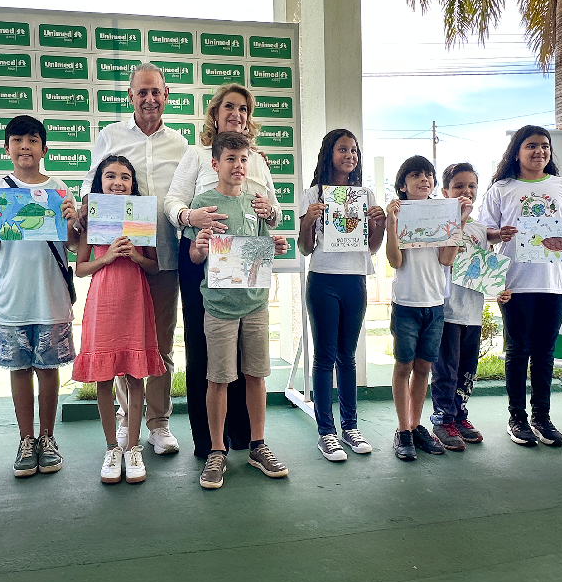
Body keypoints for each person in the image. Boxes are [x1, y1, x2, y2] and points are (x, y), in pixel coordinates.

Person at [164, 83, 283, 459]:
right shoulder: (197, 154)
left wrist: (272, 217)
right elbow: (173, 201)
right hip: (202, 259)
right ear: (214, 112)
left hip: (249, 271)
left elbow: (273, 212)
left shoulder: (257, 159)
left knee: (250, 361)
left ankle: (249, 440)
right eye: (229, 106)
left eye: (244, 108)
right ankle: (210, 445)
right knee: (207, 353)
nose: (237, 113)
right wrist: (189, 217)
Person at [79, 63, 187, 455]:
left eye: (155, 91)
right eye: (141, 92)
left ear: (166, 95)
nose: (149, 99)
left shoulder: (181, 144)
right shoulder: (109, 136)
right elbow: (91, 192)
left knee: (159, 344)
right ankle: (127, 421)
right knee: (122, 344)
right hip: (116, 261)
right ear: (130, 96)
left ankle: (159, 424)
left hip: (162, 257)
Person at [479, 125, 562, 447]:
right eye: (531, 145)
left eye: (545, 146)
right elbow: (483, 233)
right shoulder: (501, 188)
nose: (540, 151)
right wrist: (497, 234)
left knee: (545, 353)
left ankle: (542, 418)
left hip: (555, 282)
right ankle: (516, 418)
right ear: (516, 151)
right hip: (514, 282)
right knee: (518, 351)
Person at [185, 131, 289, 489]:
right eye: (230, 159)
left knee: (257, 375)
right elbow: (196, 256)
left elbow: (262, 248)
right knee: (219, 378)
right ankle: (217, 450)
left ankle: (258, 445)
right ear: (215, 164)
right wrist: (199, 246)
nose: (238, 166)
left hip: (256, 304)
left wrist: (274, 243)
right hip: (218, 307)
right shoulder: (204, 202)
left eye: (243, 159)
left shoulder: (258, 202)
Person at [0, 115, 79, 477]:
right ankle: (26, 440)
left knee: (48, 370)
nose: (25, 146)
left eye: (33, 140)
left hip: (51, 297)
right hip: (11, 299)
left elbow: (72, 245)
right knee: (19, 370)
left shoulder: (60, 189)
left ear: (44, 149)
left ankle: (48, 438)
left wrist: (72, 220)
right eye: (17, 139)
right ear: (7, 149)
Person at [72, 156, 165, 484]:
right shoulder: (91, 218)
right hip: (102, 302)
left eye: (125, 177)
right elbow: (81, 267)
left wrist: (135, 255)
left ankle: (133, 447)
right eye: (110, 176)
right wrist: (108, 256)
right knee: (103, 378)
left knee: (135, 376)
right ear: (99, 183)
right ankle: (112, 447)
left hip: (135, 302)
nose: (118, 182)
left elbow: (153, 266)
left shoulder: (140, 217)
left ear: (132, 184)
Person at [297, 129, 385, 462]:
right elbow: (305, 248)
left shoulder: (366, 195)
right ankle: (327, 433)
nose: (350, 155)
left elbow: (372, 247)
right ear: (328, 154)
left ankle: (350, 427)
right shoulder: (313, 194)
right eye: (343, 149)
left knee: (347, 357)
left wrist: (381, 225)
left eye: (354, 151)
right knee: (325, 356)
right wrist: (309, 221)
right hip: (323, 280)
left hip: (355, 281)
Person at [430, 163, 511, 451]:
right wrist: (459, 221)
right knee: (446, 370)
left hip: (473, 313)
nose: (466, 191)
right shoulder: (440, 223)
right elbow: (441, 260)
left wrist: (498, 290)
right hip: (447, 311)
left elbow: (484, 269)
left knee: (467, 369)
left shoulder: (479, 229)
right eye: (459, 186)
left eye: (472, 186)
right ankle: (442, 419)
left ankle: (460, 416)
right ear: (445, 191)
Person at [385, 156, 460, 461]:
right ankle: (403, 430)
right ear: (403, 184)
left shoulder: (442, 212)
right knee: (404, 367)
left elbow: (446, 259)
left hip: (435, 304)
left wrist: (461, 220)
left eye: (428, 175)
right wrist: (391, 224)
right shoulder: (399, 213)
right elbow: (395, 261)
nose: (424, 180)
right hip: (406, 304)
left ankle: (416, 427)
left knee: (424, 368)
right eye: (416, 175)